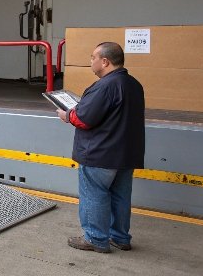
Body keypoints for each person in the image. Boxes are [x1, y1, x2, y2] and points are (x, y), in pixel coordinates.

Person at [56, 42, 145, 253]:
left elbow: (85, 119)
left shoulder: (104, 86)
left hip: (101, 154)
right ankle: (120, 237)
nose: (91, 62)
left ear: (105, 61)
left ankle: (96, 238)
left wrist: (67, 115)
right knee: (121, 196)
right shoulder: (134, 84)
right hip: (126, 154)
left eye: (92, 58)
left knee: (95, 194)